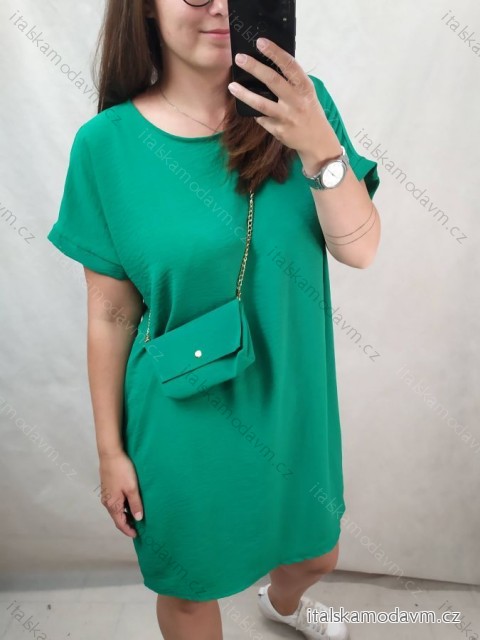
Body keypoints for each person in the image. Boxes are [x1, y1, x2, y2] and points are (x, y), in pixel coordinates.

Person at [47, 0, 381, 638]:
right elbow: (111, 315)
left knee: (316, 554)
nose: (218, 5)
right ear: (146, 9)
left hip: (292, 405)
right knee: (189, 589)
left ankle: (283, 605)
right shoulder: (105, 146)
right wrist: (109, 451)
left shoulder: (301, 103)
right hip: (181, 418)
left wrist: (318, 147)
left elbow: (361, 250)